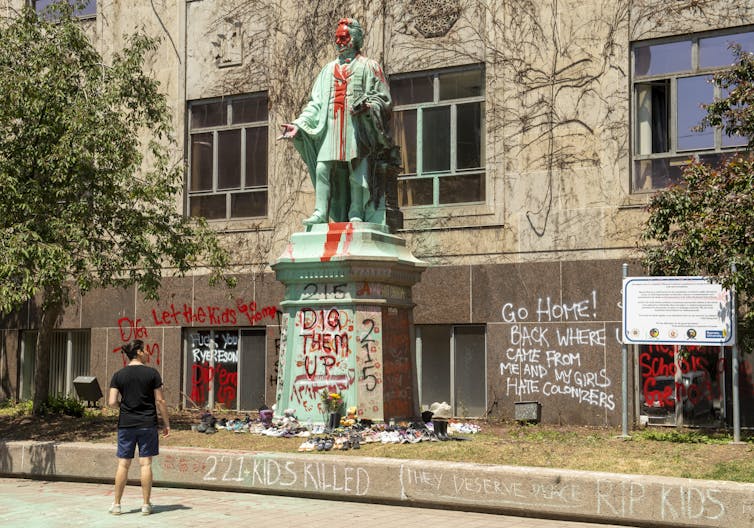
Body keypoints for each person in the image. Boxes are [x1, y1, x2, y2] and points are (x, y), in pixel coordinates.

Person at [281, 17, 394, 225]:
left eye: (344, 37)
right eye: (337, 38)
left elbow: (384, 99)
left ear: (355, 38)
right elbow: (316, 104)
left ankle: (356, 211)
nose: (339, 42)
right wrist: (298, 125)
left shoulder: (370, 66)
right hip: (331, 127)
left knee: (356, 169)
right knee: (322, 168)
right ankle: (320, 212)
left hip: (356, 128)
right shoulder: (327, 70)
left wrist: (369, 106)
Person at [108, 339, 170, 515]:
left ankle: (117, 505)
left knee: (123, 464)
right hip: (147, 424)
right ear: (139, 352)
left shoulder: (118, 375)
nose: (148, 353)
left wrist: (123, 407)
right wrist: (166, 423)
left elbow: (112, 401)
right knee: (146, 464)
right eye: (146, 350)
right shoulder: (152, 374)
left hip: (126, 424)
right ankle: (145, 504)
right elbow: (160, 400)